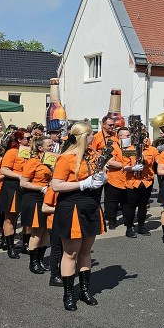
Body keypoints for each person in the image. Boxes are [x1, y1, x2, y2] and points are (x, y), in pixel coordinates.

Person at [50, 121, 108, 312]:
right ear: (84, 136)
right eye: (91, 134)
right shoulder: (66, 158)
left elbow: (102, 173)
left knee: (86, 251)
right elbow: (56, 185)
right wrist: (83, 184)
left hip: (91, 205)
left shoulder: (93, 155)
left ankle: (84, 290)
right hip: (72, 206)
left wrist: (102, 179)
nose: (94, 137)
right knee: (71, 253)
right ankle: (68, 294)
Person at [20, 136, 54, 274]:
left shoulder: (50, 160)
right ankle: (33, 263)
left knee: (45, 230)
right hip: (34, 197)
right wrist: (41, 188)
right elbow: (23, 183)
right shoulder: (33, 162)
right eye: (49, 145)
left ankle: (40, 260)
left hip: (46, 197)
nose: (52, 147)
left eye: (52, 145)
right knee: (37, 231)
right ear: (40, 148)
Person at [0, 130, 32, 258]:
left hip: (27, 187)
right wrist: (20, 176)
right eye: (27, 138)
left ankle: (25, 244)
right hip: (13, 186)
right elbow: (4, 169)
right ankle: (10, 246)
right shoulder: (12, 152)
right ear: (19, 140)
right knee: (11, 218)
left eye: (30, 138)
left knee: (28, 218)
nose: (30, 140)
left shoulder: (31, 152)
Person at [123, 134, 156, 237]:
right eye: (142, 137)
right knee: (131, 206)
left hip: (147, 182)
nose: (145, 139)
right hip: (132, 182)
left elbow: (159, 161)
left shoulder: (152, 150)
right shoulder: (129, 150)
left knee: (143, 206)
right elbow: (125, 166)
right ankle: (129, 228)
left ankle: (141, 227)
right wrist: (133, 168)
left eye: (146, 137)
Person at [103, 126, 131, 230]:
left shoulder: (131, 147)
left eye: (129, 135)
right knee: (112, 203)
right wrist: (125, 165)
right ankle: (112, 221)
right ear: (120, 137)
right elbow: (110, 162)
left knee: (127, 202)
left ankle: (127, 220)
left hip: (128, 180)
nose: (129, 137)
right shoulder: (112, 147)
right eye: (127, 136)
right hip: (114, 180)